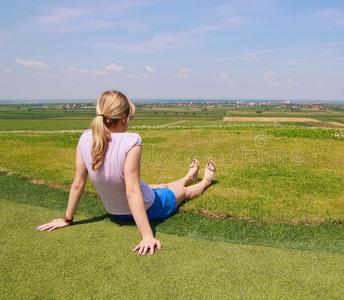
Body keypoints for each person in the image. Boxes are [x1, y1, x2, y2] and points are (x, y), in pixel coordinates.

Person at [36, 90, 216, 256]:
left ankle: (188, 177)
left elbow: (78, 183)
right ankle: (205, 181)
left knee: (162, 186)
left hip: (115, 213)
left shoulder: (85, 137)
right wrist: (147, 236)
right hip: (150, 208)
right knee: (184, 193)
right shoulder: (132, 141)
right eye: (130, 117)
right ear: (123, 118)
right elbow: (132, 191)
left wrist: (67, 219)